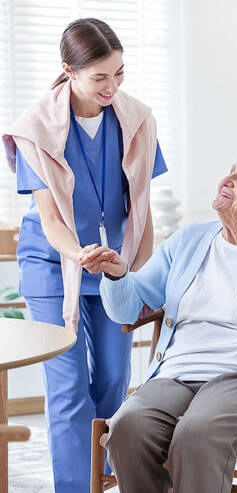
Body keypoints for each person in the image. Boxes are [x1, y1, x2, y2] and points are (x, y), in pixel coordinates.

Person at [85, 144, 237, 493]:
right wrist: (116, 275)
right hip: (176, 376)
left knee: (197, 435)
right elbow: (129, 307)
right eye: (231, 170)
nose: (228, 179)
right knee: (127, 428)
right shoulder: (188, 241)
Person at [2, 18, 167, 493]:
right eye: (100, 77)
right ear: (69, 72)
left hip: (114, 264)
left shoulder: (137, 120)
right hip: (53, 264)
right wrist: (80, 253)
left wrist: (133, 277)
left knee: (116, 378)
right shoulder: (36, 128)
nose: (112, 86)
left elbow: (143, 213)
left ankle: (101, 471)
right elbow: (52, 221)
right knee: (68, 383)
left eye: (119, 73)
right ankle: (76, 486)